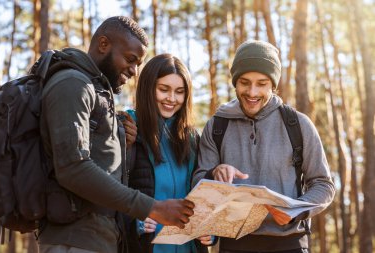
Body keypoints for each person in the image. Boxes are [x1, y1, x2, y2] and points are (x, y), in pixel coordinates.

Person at [39, 16, 194, 253]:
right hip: (73, 240)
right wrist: (152, 208)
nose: (133, 71)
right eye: (130, 60)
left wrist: (124, 142)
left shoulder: (97, 90)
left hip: (101, 239)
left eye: (137, 64)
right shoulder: (72, 84)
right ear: (103, 44)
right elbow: (73, 167)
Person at [192, 40, 335, 253]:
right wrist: (214, 173)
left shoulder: (298, 124)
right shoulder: (217, 125)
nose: (252, 92)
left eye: (262, 83)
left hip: (290, 243)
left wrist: (294, 210)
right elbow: (198, 184)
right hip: (234, 244)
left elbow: (323, 184)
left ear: (273, 85)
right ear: (235, 83)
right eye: (244, 82)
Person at [122, 54, 209, 253]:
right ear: (147, 88)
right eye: (163, 89)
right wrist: (136, 223)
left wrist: (209, 232)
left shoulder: (192, 138)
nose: (172, 98)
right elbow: (112, 193)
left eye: (179, 92)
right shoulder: (128, 128)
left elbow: (203, 197)